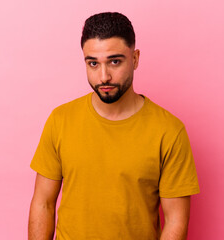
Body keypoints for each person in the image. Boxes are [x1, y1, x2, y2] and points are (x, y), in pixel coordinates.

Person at [28, 12, 200, 240]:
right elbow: (43, 204)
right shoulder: (60, 120)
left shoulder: (169, 130)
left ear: (135, 58)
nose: (104, 76)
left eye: (115, 61)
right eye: (93, 63)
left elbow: (176, 220)